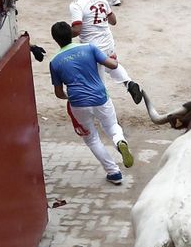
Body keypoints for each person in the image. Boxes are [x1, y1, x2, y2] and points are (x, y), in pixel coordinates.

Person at [47, 20, 135, 186]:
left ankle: (114, 172)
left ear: (55, 39)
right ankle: (119, 142)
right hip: (100, 97)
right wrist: (113, 59)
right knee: (112, 127)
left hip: (78, 103)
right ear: (72, 33)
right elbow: (112, 65)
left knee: (92, 139)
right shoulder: (89, 47)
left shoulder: (55, 62)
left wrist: (70, 97)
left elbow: (59, 93)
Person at [69, 0, 143, 100]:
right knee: (112, 65)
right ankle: (128, 82)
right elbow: (113, 21)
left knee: (97, 80)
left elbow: (76, 30)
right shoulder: (102, 1)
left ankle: (106, 111)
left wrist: (63, 33)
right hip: (108, 42)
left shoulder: (77, 5)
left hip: (92, 47)